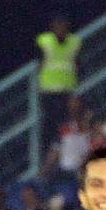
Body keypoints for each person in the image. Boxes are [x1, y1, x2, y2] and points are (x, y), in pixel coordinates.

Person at [36, 15, 81, 146]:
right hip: (49, 90)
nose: (61, 29)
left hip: (68, 89)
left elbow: (78, 62)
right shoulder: (45, 41)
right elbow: (38, 62)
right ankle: (50, 146)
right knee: (51, 121)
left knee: (67, 120)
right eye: (58, 26)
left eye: (64, 26)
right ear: (52, 28)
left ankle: (62, 145)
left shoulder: (74, 42)